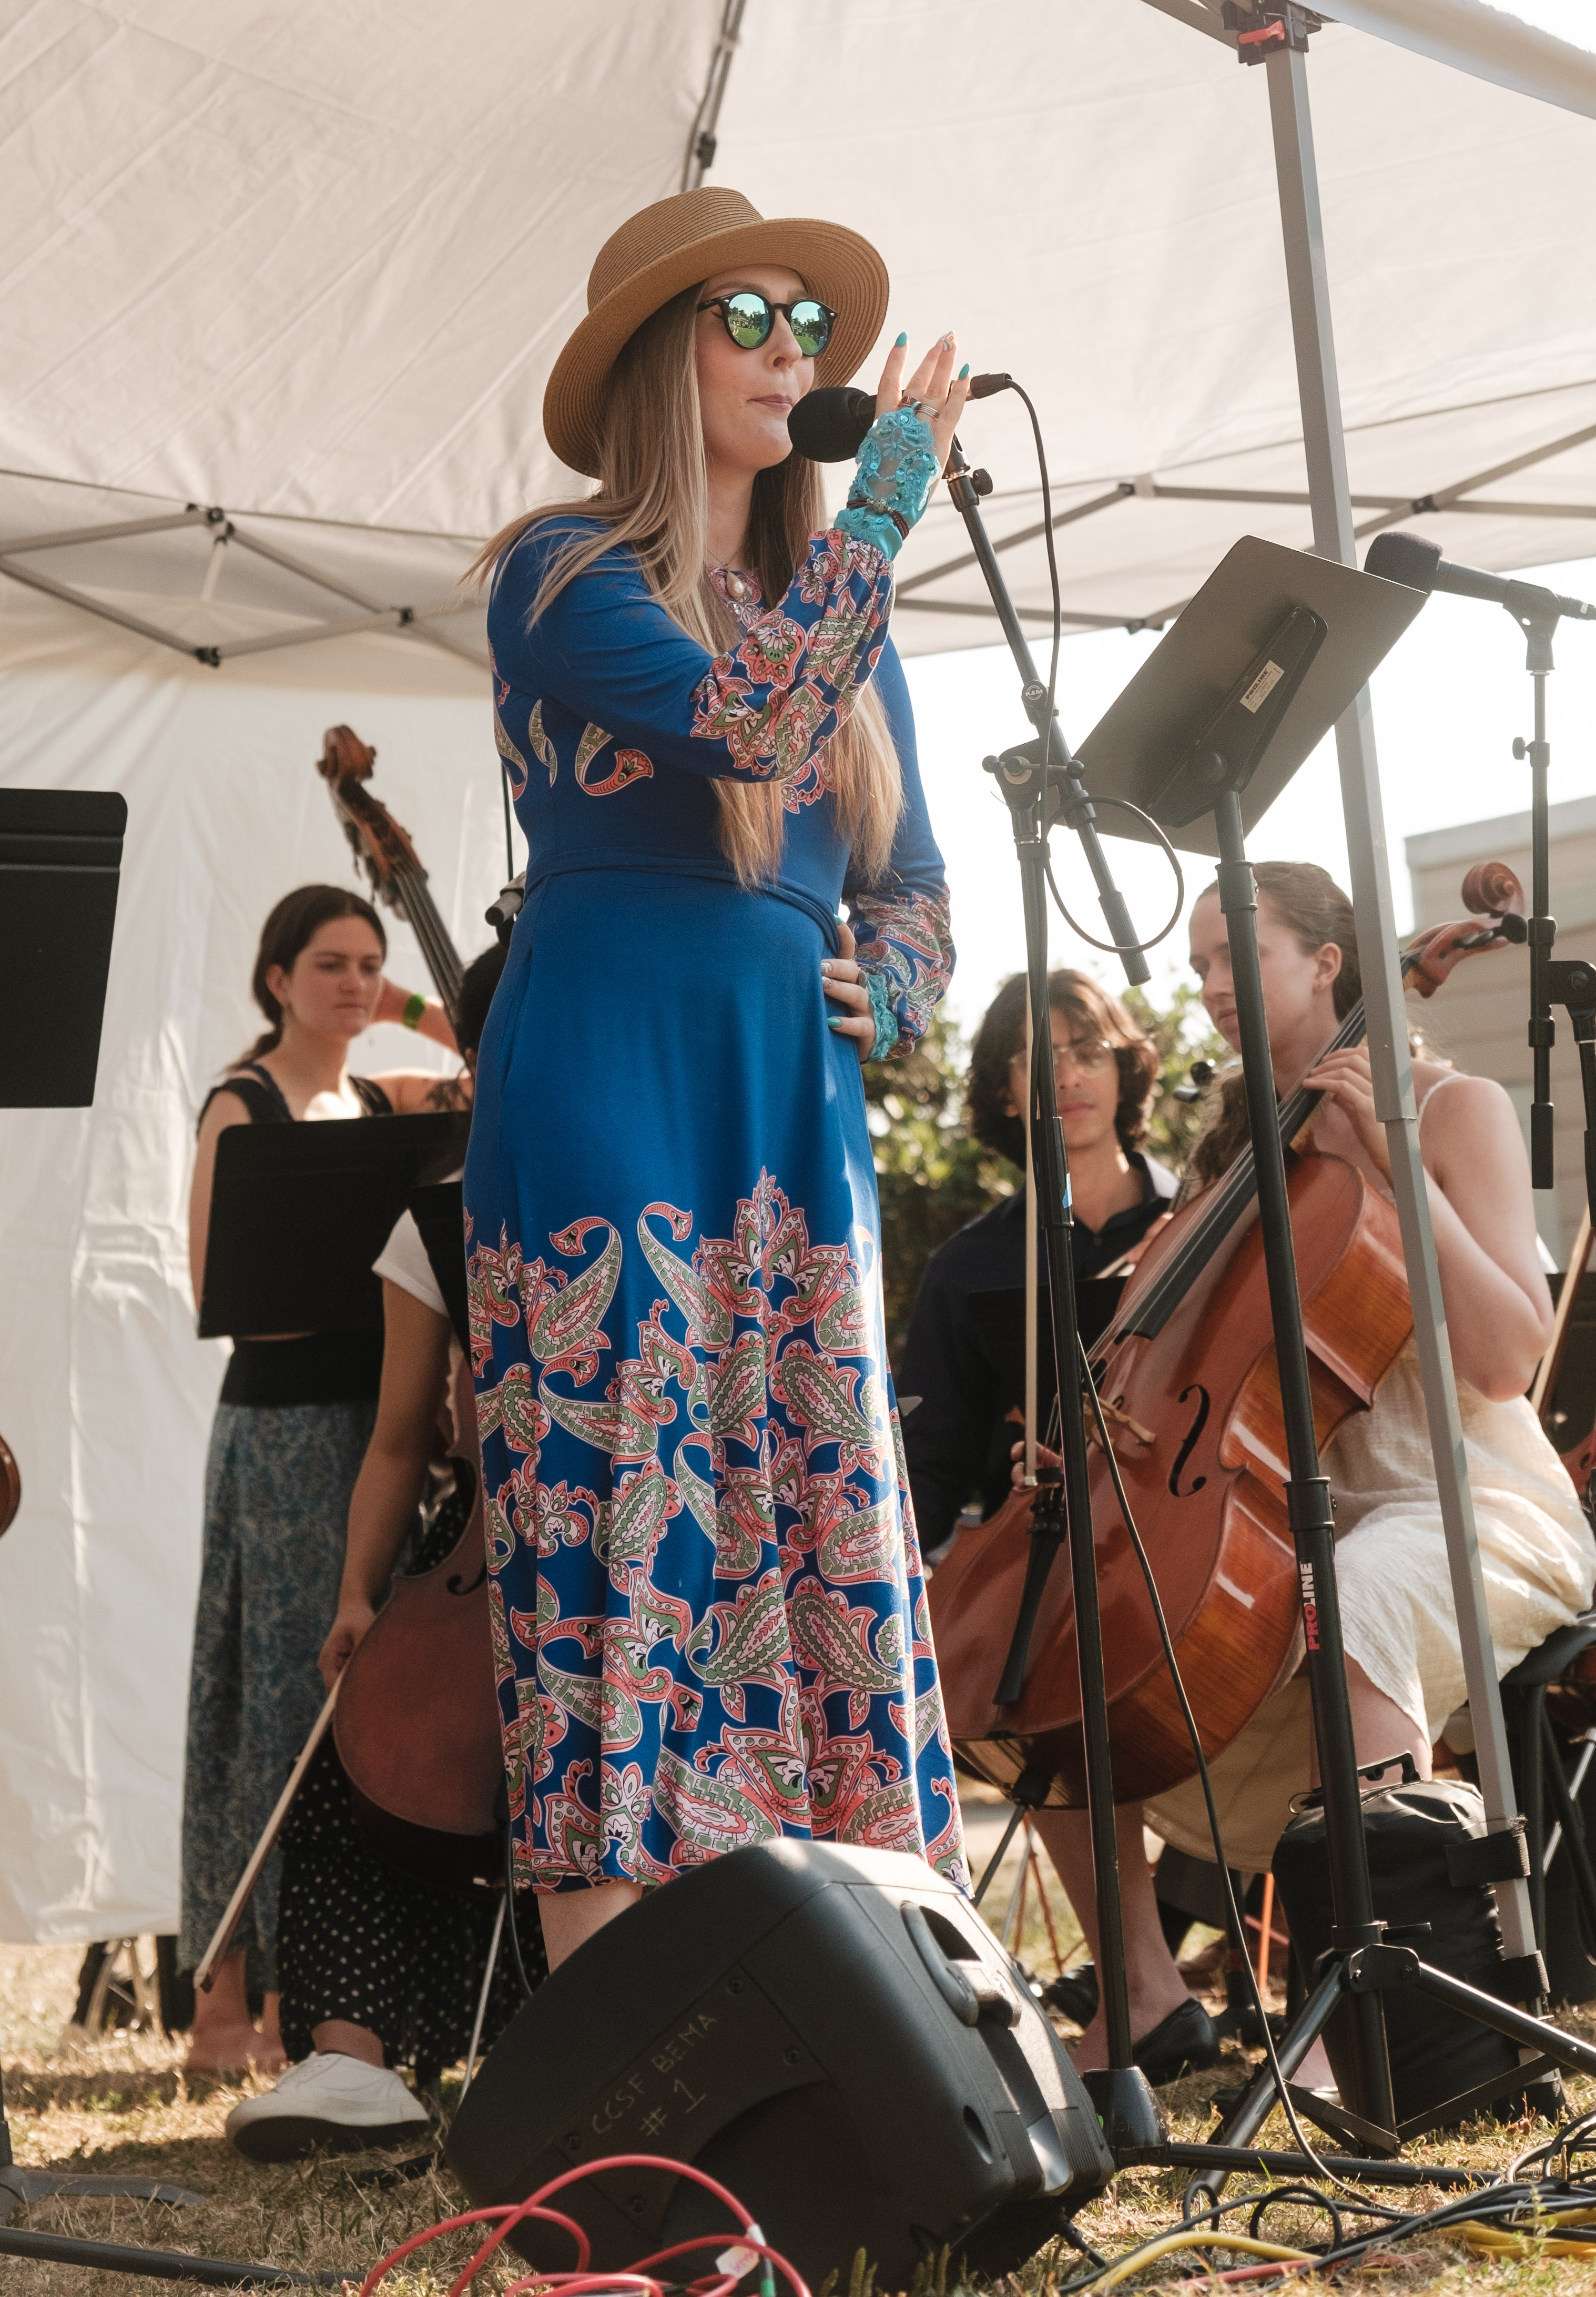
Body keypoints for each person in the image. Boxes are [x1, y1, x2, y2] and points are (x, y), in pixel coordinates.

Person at [464, 181, 969, 1971]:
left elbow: (913, 882)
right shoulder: (561, 570)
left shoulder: (845, 613)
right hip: (612, 1077)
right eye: (742, 316)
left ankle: (859, 2018)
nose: (788, 348)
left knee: (817, 1507)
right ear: (652, 364)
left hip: (793, 1108)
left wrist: (886, 986)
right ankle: (627, 2086)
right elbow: (753, 719)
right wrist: (889, 505)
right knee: (623, 1523)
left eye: (803, 323)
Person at [1014, 863, 1596, 2079]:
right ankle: (1139, 1992)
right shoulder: (1232, 1152)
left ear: (1328, 960)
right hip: (1292, 1519)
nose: (1212, 989)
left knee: (1354, 1593)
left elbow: (1503, 1357)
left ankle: (1371, 2002)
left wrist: (1383, 1155)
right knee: (1061, 1647)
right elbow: (1177, 1363)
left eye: (1236, 957)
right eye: (1198, 973)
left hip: (1476, 1506)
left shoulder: (1451, 1107)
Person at [226, 937, 533, 2161]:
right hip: (478, 1558)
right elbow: (402, 1441)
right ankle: (352, 2064)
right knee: (367, 1752)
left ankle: (549, 2024)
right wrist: (359, 1597)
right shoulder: (439, 1218)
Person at [177, 885, 450, 2074]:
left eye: (368, 967)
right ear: (276, 975)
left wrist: (408, 1006)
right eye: (328, 964)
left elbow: (495, 1054)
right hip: (286, 1428)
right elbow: (211, 1285)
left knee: (357, 1720)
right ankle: (223, 2008)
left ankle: (321, 2000)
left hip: (379, 1417)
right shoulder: (243, 1102)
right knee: (271, 1713)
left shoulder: (386, 1098)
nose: (351, 984)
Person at [898, 968, 1178, 1552]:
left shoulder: (1193, 1221)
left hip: (1182, 1521)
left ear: (1123, 1070)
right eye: (1039, 1060)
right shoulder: (964, 1267)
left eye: (1089, 1052)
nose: (1069, 1076)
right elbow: (933, 1467)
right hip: (1032, 1556)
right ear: (1005, 1089)